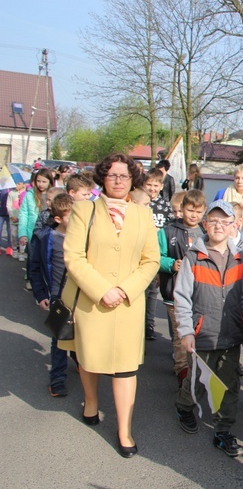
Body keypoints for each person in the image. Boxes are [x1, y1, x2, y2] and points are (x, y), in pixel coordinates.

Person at [58, 153, 160, 458]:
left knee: (126, 367)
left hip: (128, 304)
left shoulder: (143, 214)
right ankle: (90, 402)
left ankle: (124, 430)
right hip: (92, 300)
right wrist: (102, 290)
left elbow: (151, 260)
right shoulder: (84, 209)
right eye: (113, 175)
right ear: (103, 177)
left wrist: (124, 290)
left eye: (124, 176)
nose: (118, 181)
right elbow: (73, 256)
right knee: (89, 358)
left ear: (132, 180)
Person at [174, 200, 243, 458]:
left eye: (225, 221)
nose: (219, 226)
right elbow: (182, 298)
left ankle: (223, 430)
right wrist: (186, 331)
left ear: (234, 227)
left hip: (231, 335)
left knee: (229, 384)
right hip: (202, 336)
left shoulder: (241, 260)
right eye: (214, 221)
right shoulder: (193, 258)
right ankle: (185, 407)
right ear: (205, 224)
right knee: (197, 382)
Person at [29, 194, 77, 398]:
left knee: (79, 335)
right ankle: (57, 378)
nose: (75, 221)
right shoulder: (45, 238)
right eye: (70, 217)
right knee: (59, 337)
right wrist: (41, 294)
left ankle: (82, 363)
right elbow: (35, 267)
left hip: (80, 295)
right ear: (58, 219)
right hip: (58, 295)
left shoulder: (83, 236)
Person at [158, 189, 206, 388]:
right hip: (174, 293)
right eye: (189, 210)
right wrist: (170, 264)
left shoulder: (205, 233)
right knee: (180, 336)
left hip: (199, 294)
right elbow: (155, 257)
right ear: (182, 209)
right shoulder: (168, 231)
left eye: (198, 212)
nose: (193, 215)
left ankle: (195, 367)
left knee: (197, 334)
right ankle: (182, 371)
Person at [144, 168, 175, 340]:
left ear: (161, 186)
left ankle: (149, 324)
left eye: (156, 185)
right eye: (149, 184)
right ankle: (138, 325)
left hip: (157, 253)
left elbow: (169, 228)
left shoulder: (165, 205)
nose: (152, 188)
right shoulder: (139, 203)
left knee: (152, 292)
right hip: (141, 252)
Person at [18, 168, 54, 263]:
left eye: (44, 181)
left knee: (47, 262)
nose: (40, 184)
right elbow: (23, 215)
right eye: (38, 181)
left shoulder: (55, 195)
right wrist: (23, 234)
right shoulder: (29, 195)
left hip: (50, 234)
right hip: (33, 234)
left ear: (50, 181)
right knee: (33, 261)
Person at [6, 181, 26, 258]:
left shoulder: (26, 194)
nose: (16, 185)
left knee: (22, 236)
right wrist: (12, 216)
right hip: (13, 219)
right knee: (14, 235)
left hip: (23, 219)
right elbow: (9, 205)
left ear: (23, 184)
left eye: (19, 184)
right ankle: (14, 249)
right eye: (15, 183)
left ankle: (22, 252)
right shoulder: (11, 193)